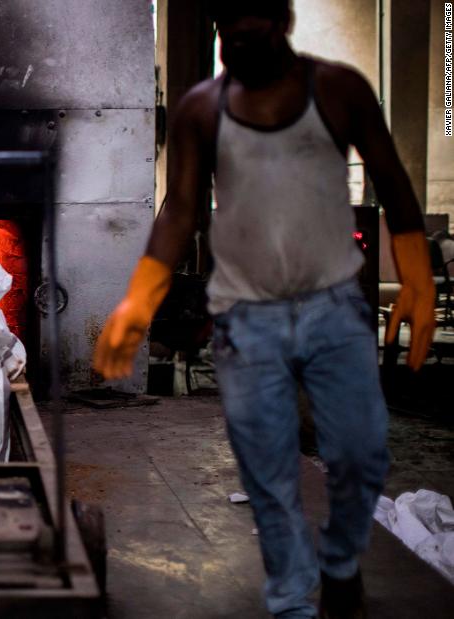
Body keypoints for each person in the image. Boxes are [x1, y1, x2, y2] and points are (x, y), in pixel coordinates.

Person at [92, 2, 435, 617]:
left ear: (283, 20)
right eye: (227, 26)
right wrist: (140, 298)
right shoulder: (203, 108)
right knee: (268, 470)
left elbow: (391, 175)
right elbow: (180, 209)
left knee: (360, 451)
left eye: (252, 23)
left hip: (334, 308)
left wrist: (416, 274)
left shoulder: (336, 89)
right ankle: (290, 600)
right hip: (247, 320)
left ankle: (340, 564)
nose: (237, 39)